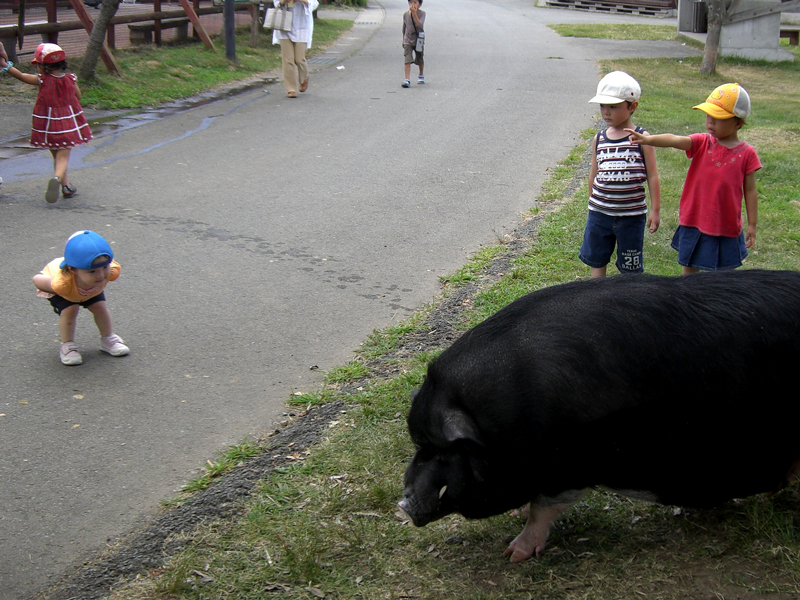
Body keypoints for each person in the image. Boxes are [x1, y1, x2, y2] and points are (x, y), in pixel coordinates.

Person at [627, 83, 761, 275]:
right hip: (694, 220)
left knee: (722, 278)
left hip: (725, 225)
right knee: (689, 273)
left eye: (718, 118)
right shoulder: (701, 142)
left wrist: (752, 224)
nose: (710, 122)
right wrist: (648, 139)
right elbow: (675, 140)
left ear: (738, 122)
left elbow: (750, 191)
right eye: (708, 116)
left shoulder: (747, 154)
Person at [580, 71, 661, 278]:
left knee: (630, 267)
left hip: (631, 217)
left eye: (613, 107)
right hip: (600, 214)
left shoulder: (642, 138)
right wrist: (592, 201)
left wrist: (655, 210)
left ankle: (628, 300)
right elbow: (594, 172)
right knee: (597, 258)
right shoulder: (599, 138)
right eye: (602, 106)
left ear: (632, 106)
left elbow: (652, 175)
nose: (606, 112)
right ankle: (597, 297)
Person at [0, 42, 92, 203]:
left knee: (56, 155)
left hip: (48, 126)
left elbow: (21, 76)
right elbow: (78, 96)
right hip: (67, 123)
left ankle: (66, 186)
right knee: (63, 158)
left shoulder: (41, 80)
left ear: (43, 67)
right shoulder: (71, 79)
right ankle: (57, 178)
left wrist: (4, 65)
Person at [33, 230, 129, 366]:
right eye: (92, 271)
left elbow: (102, 271)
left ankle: (108, 338)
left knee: (100, 307)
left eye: (104, 267)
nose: (101, 275)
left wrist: (95, 273)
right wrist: (51, 286)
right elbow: (36, 279)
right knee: (70, 310)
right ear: (73, 269)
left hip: (90, 290)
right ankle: (67, 345)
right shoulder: (62, 283)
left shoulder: (111, 272)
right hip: (66, 291)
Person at [272, 0, 319, 98]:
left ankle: (304, 78)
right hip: (284, 23)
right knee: (288, 59)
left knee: (299, 58)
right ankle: (291, 89)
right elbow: (276, 3)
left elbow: (314, 3)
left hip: (302, 25)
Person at [401, 0, 425, 88]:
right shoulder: (405, 14)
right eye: (411, 2)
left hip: (418, 39)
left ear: (420, 4)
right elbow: (404, 27)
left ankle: (421, 74)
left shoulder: (422, 14)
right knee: (407, 58)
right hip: (408, 39)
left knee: (419, 57)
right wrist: (403, 39)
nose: (413, 5)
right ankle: (407, 79)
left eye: (415, 2)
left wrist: (414, 14)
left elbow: (420, 26)